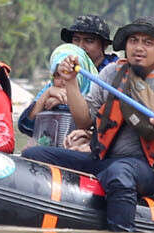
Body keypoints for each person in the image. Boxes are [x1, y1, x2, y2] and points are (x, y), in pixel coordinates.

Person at [21, 19, 154, 231]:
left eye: (148, 42)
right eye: (133, 41)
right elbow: (84, 120)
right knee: (36, 155)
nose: (139, 48)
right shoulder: (111, 73)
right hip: (102, 160)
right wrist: (71, 82)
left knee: (120, 172)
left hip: (147, 170)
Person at [20, 14, 116, 148]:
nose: (81, 47)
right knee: (29, 147)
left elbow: (107, 122)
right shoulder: (64, 67)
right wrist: (47, 94)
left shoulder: (113, 72)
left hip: (95, 141)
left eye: (89, 41)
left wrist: (68, 100)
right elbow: (26, 126)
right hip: (58, 138)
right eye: (76, 40)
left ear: (104, 45)